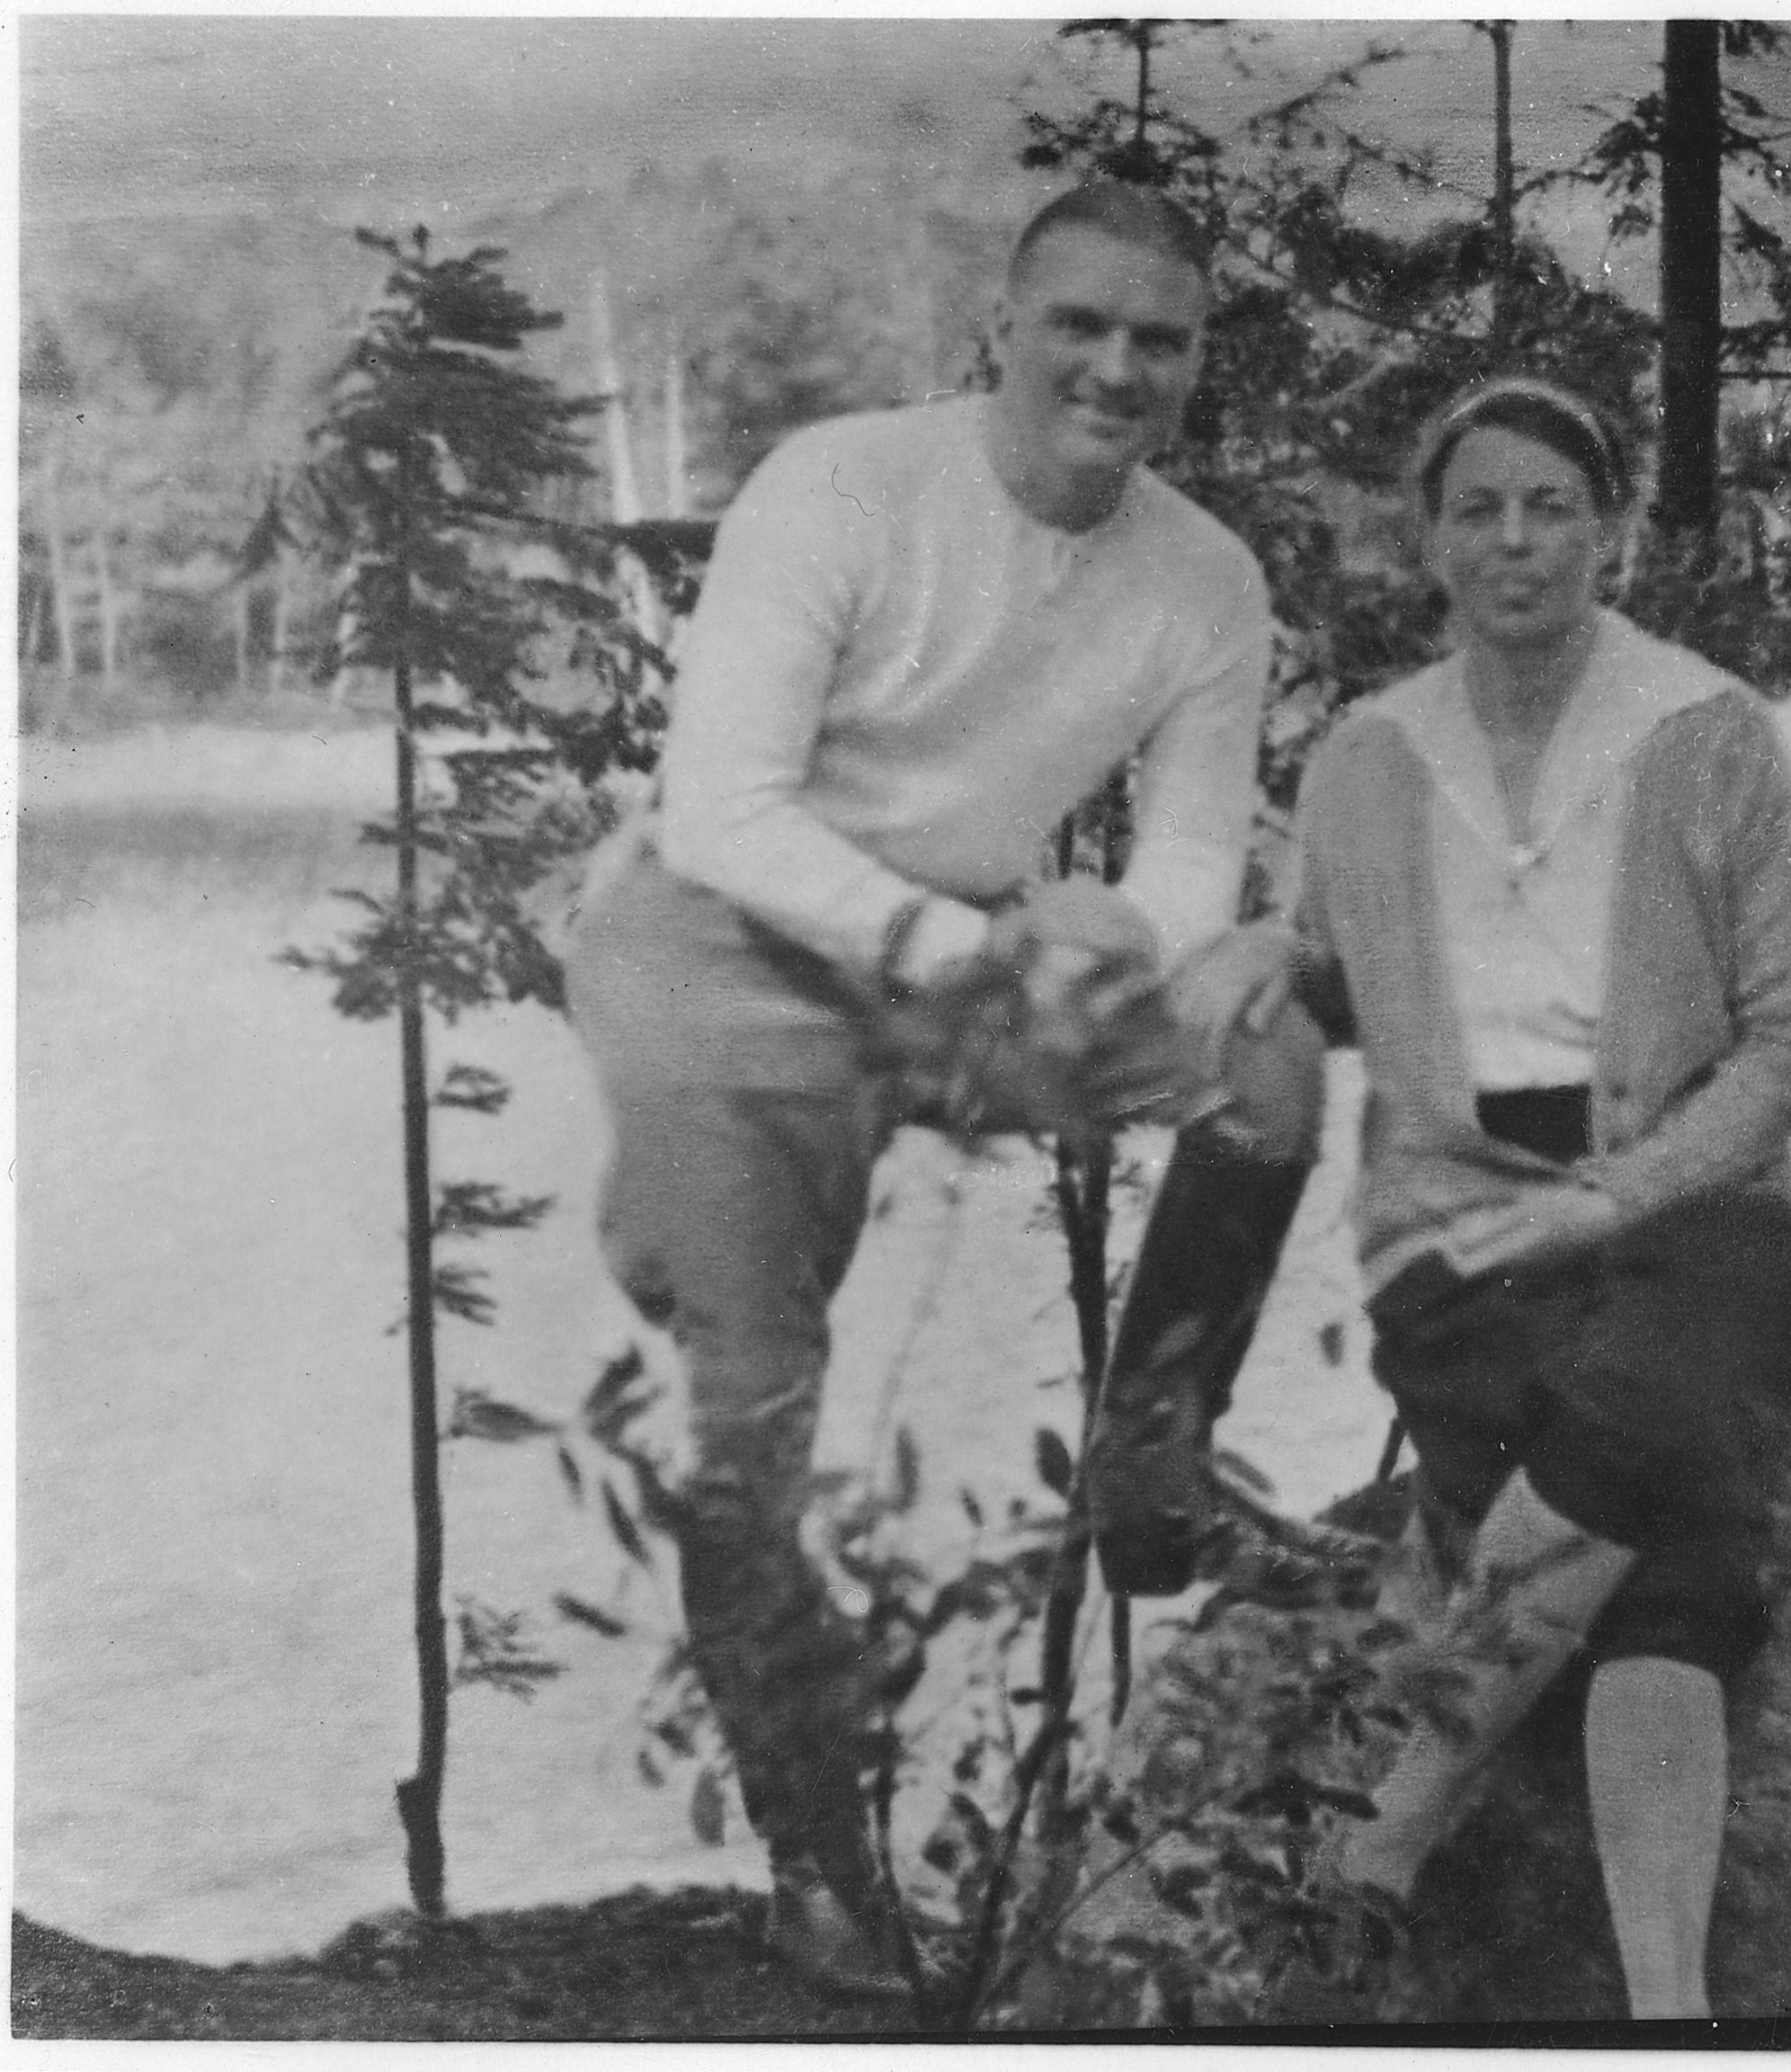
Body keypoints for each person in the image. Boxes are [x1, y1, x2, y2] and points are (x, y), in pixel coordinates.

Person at [564, 181, 1318, 2000]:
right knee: (751, 1415)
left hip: (965, 959)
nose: (1118, 367)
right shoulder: (843, 487)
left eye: (1163, 339)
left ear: (1197, 363)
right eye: (1082, 323)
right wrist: (970, 950)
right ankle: (815, 1859)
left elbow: (1197, 846)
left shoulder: (1205, 576)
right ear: (1002, 326)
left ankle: (1151, 1459)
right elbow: (729, 810)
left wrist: (1112, 943)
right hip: (721, 944)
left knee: (1261, 1066)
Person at [1271, 378, 1791, 2019]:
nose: (1516, 541)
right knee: (1682, 1557)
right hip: (1455, 1223)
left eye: (1552, 507)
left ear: (1609, 529)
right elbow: (1330, 984)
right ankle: (1672, 2020)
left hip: (1688, 1201)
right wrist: (1250, 969)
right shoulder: (1367, 758)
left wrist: (1609, 1198)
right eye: (1480, 509)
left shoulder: (1706, 732)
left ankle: (1388, 1835)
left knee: (1760, 1286)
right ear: (1431, 535)